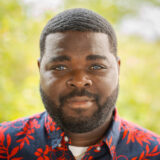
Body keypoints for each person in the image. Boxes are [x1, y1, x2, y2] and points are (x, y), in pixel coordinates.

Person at [0, 8, 160, 160]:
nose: (78, 81)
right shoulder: (4, 144)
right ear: (40, 69)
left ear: (117, 68)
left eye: (96, 66)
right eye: (60, 67)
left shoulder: (154, 152)